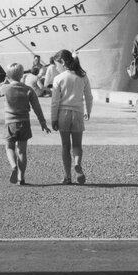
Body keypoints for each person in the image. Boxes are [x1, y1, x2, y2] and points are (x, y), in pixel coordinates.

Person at [0, 62, 50, 185]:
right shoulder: (28, 90)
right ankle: (21, 178)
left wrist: (3, 83)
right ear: (22, 75)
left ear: (8, 76)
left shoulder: (6, 88)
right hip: (24, 124)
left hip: (10, 123)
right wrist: (42, 122)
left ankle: (13, 166)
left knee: (9, 147)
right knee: (22, 151)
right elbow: (37, 107)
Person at [50, 49, 93, 184]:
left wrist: (53, 118)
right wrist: (88, 111)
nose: (56, 67)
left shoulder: (58, 78)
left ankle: (67, 177)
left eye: (57, 64)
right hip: (78, 113)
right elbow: (89, 97)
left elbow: (55, 102)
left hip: (63, 114)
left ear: (62, 62)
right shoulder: (82, 76)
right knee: (77, 145)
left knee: (65, 146)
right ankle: (77, 164)